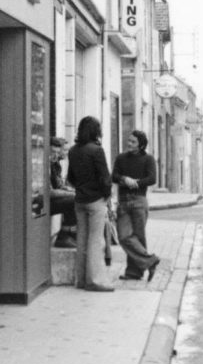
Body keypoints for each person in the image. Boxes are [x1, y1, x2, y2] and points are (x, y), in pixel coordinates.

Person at [66, 116, 114, 292]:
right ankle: (95, 281)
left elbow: (70, 178)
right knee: (95, 240)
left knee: (82, 240)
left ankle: (81, 281)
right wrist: (107, 196)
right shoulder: (96, 150)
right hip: (96, 201)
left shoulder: (72, 151)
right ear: (96, 131)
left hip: (79, 201)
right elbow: (105, 178)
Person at [112, 130, 161, 282]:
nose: (129, 143)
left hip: (139, 200)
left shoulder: (148, 159)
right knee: (124, 236)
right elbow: (113, 176)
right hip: (124, 201)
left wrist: (136, 183)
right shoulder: (121, 158)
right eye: (128, 140)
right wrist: (124, 179)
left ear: (141, 144)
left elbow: (152, 179)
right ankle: (150, 261)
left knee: (139, 238)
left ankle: (134, 273)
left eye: (133, 142)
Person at [49, 137, 77, 248]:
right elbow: (49, 192)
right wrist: (72, 194)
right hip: (44, 203)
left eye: (57, 152)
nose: (55, 155)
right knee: (75, 200)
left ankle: (69, 235)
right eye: (52, 152)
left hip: (50, 200)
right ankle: (64, 236)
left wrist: (72, 191)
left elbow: (59, 186)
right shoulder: (46, 164)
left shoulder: (55, 164)